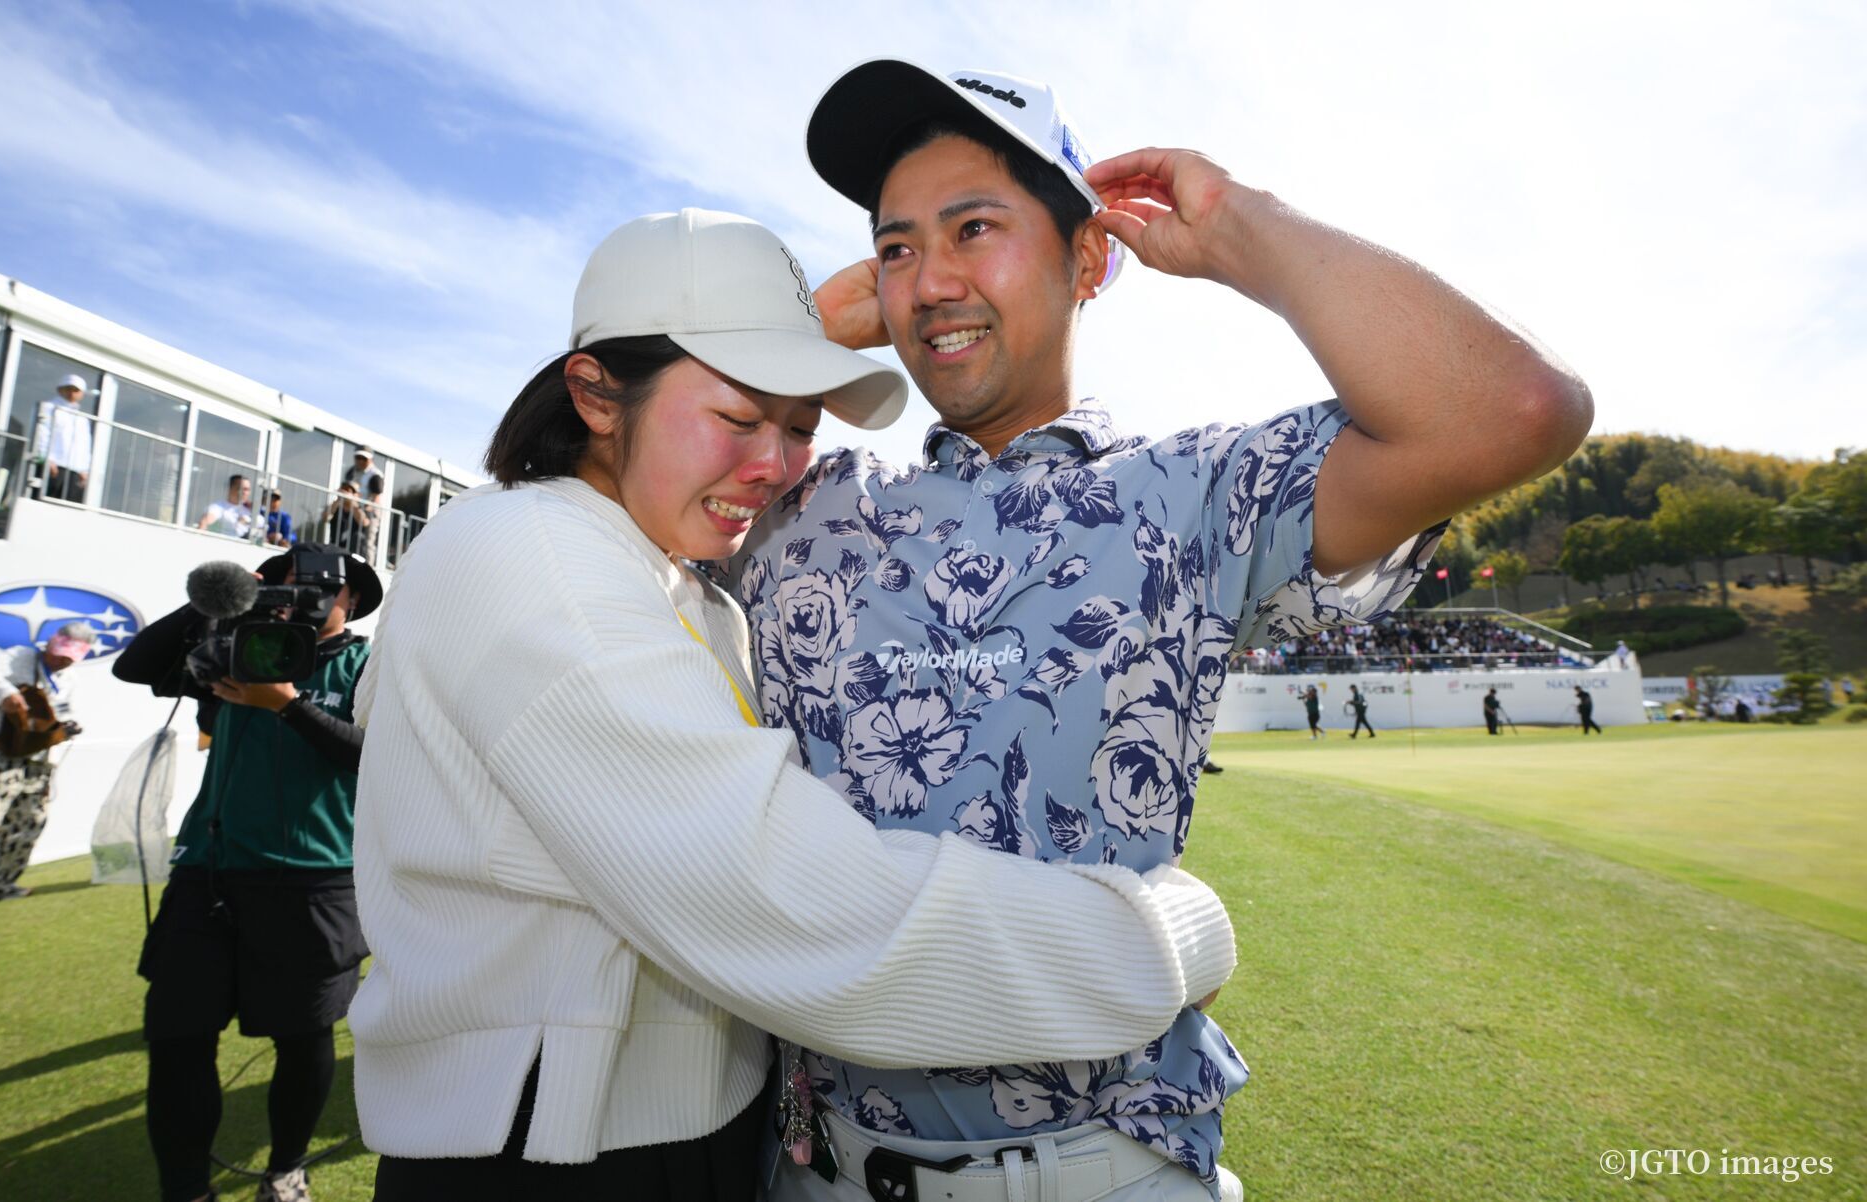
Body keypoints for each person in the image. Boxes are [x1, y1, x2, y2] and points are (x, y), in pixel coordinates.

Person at [727, 58, 1590, 1201]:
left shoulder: (1192, 492)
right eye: (895, 247)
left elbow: (1514, 409)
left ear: (1089, 259)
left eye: (974, 228)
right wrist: (803, 335)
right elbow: (590, 452)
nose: (929, 281)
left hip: (1100, 1175)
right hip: (814, 1171)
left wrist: (1242, 227)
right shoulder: (798, 502)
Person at [349, 210, 1236, 1201]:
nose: (777, 465)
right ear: (595, 394)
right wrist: (1160, 938)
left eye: (801, 424)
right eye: (737, 418)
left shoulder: (647, 568)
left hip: (687, 1141)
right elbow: (802, 910)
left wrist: (806, 333)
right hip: (558, 1162)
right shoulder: (536, 559)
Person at [115, 544, 381, 1202]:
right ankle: (186, 1190)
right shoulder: (228, 646)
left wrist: (286, 704)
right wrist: (222, 598)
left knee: (302, 1037)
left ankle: (285, 1167)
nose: (302, 595)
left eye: (323, 586)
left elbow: (379, 758)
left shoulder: (370, 662)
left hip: (316, 878)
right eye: (285, 582)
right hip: (209, 873)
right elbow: (135, 664)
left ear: (352, 600)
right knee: (178, 1036)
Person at [0, 623, 94, 919]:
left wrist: (66, 727)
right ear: (52, 643)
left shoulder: (70, 679)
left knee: (29, 823)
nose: (62, 660)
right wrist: (5, 694)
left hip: (38, 764)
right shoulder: (19, 658)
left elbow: (63, 711)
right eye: (60, 652)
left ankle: (0, 882)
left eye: (70, 656)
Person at [33, 373, 93, 501]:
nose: (72, 393)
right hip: (53, 465)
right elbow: (41, 433)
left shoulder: (83, 419)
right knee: (42, 502)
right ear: (60, 390)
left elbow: (85, 445)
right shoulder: (47, 408)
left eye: (76, 390)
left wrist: (84, 469)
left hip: (74, 470)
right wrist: (47, 459)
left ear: (81, 394)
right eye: (68, 389)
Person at [198, 474, 253, 538]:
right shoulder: (218, 507)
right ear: (230, 488)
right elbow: (204, 524)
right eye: (242, 489)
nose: (245, 493)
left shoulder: (250, 510)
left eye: (247, 489)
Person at [322, 482, 368, 557]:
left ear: (358, 495)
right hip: (336, 548)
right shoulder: (335, 507)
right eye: (344, 489)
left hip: (354, 551)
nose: (346, 493)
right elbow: (325, 518)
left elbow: (364, 522)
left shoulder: (360, 509)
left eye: (350, 491)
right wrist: (338, 499)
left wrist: (352, 501)